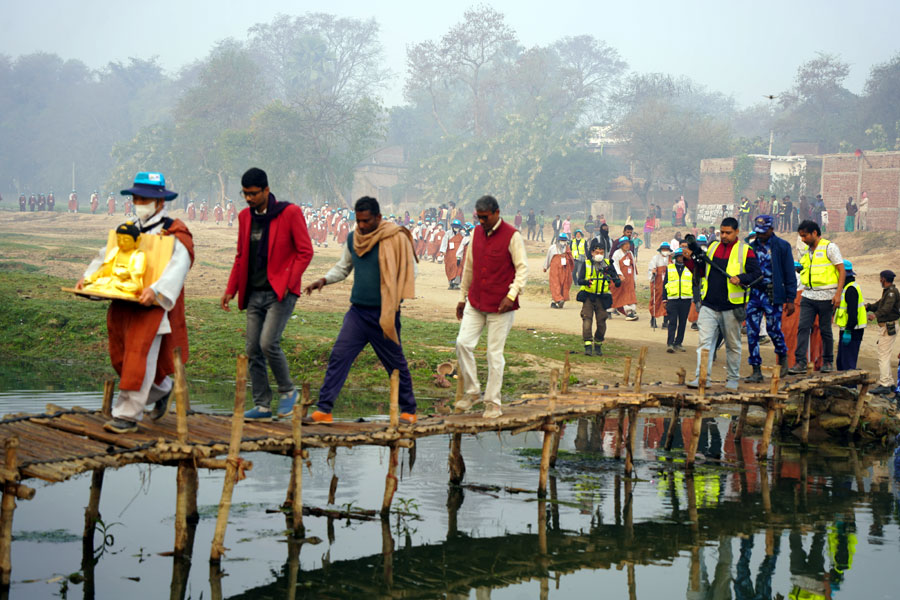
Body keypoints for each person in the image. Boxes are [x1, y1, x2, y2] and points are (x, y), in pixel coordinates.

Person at [77, 172, 194, 433]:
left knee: (138, 360)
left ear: (161, 202)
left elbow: (179, 266)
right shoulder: (128, 227)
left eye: (147, 198)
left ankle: (127, 416)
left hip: (151, 309)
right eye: (137, 198)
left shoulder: (173, 231)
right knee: (121, 359)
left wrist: (157, 290)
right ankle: (163, 389)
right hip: (123, 304)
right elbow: (107, 257)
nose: (140, 202)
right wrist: (89, 279)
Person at [304, 196, 418, 423]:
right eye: (359, 221)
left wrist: (393, 296)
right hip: (357, 313)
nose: (362, 226)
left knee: (395, 363)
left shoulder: (396, 238)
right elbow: (343, 267)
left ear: (378, 217)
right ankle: (324, 410)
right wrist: (324, 280)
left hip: (384, 313)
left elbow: (410, 272)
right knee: (338, 356)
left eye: (367, 221)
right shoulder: (352, 239)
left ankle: (409, 411)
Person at [222, 168, 314, 420]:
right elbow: (241, 256)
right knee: (252, 348)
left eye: (253, 194)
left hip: (280, 293)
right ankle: (262, 405)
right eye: (245, 194)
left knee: (268, 343)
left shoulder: (289, 213)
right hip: (254, 293)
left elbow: (305, 251)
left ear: (266, 190)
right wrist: (231, 289)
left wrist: (288, 281)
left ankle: (288, 392)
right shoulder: (244, 217)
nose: (249, 199)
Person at [454, 195, 528, 418]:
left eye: (485, 217)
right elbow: (469, 267)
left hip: (501, 306)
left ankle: (493, 403)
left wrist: (511, 294)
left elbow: (522, 269)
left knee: (494, 354)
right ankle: (473, 391)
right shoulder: (476, 232)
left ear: (496, 213)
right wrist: (461, 296)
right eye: (478, 217)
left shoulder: (512, 235)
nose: (481, 221)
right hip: (475, 301)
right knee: (462, 343)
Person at [684, 217, 761, 390]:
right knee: (704, 343)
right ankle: (702, 378)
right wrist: (689, 260)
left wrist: (741, 278)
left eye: (728, 233)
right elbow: (702, 271)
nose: (724, 236)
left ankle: (732, 379)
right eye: (722, 232)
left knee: (733, 345)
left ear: (736, 232)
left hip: (732, 306)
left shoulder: (745, 250)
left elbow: (757, 274)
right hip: (709, 304)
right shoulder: (712, 247)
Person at [741, 215, 797, 382]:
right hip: (755, 293)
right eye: (758, 232)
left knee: (773, 330)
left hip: (773, 295)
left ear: (772, 229)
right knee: (752, 331)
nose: (760, 235)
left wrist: (790, 298)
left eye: (763, 232)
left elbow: (789, 273)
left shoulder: (782, 246)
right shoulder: (750, 248)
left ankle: (782, 354)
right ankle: (756, 369)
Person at [787, 220, 845, 374]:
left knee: (825, 330)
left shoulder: (829, 247)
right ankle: (800, 362)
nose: (803, 239)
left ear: (814, 233)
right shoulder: (807, 251)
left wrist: (838, 294)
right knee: (803, 327)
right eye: (801, 236)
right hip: (808, 296)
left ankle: (827, 362)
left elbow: (841, 270)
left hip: (827, 297)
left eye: (805, 236)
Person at [576, 240, 619, 355]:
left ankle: (598, 344)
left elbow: (616, 279)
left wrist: (614, 279)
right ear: (592, 253)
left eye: (601, 252)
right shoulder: (587, 264)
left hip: (602, 297)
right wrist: (586, 282)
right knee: (587, 320)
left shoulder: (608, 264)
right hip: (589, 297)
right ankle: (588, 346)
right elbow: (579, 280)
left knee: (602, 321)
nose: (599, 254)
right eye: (597, 252)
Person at [866, 270, 900, 395]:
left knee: (883, 356)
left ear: (884, 279)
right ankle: (890, 382)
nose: (880, 280)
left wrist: (874, 315)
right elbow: (880, 304)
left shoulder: (891, 293)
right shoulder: (888, 291)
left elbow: (886, 308)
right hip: (888, 326)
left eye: (880, 278)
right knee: (886, 354)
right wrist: (868, 307)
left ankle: (884, 383)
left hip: (888, 326)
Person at [835, 260, 865, 372]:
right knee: (842, 362)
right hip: (848, 329)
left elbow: (853, 313)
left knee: (848, 364)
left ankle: (850, 388)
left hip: (852, 331)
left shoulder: (850, 289)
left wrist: (848, 331)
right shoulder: (847, 288)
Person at [663, 248, 695, 352]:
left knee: (682, 322)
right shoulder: (670, 268)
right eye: (680, 256)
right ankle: (670, 343)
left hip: (686, 299)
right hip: (673, 299)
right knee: (672, 322)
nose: (681, 258)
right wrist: (664, 299)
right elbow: (665, 284)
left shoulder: (690, 268)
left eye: (683, 256)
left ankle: (678, 343)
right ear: (676, 257)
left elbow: (695, 284)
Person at [611, 237, 638, 321]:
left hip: (629, 279)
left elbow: (633, 266)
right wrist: (619, 274)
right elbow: (615, 265)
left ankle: (631, 310)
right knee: (622, 294)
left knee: (631, 295)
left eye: (628, 244)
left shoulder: (630, 253)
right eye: (625, 244)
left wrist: (634, 278)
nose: (627, 246)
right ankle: (628, 312)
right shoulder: (617, 253)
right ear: (621, 245)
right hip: (622, 278)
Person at [544, 232, 573, 309]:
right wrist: (545, 267)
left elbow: (571, 259)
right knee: (555, 284)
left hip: (564, 269)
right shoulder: (552, 248)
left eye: (564, 240)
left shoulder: (567, 248)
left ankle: (557, 300)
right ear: (558, 240)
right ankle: (558, 299)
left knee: (565, 284)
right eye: (562, 240)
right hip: (555, 269)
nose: (563, 241)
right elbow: (548, 258)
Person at [647, 242, 671, 329]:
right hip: (657, 283)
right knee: (655, 300)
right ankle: (653, 318)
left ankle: (665, 321)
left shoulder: (671, 259)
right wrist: (653, 271)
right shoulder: (655, 258)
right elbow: (651, 268)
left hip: (668, 284)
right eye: (664, 249)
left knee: (667, 301)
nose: (665, 251)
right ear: (661, 250)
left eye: (667, 249)